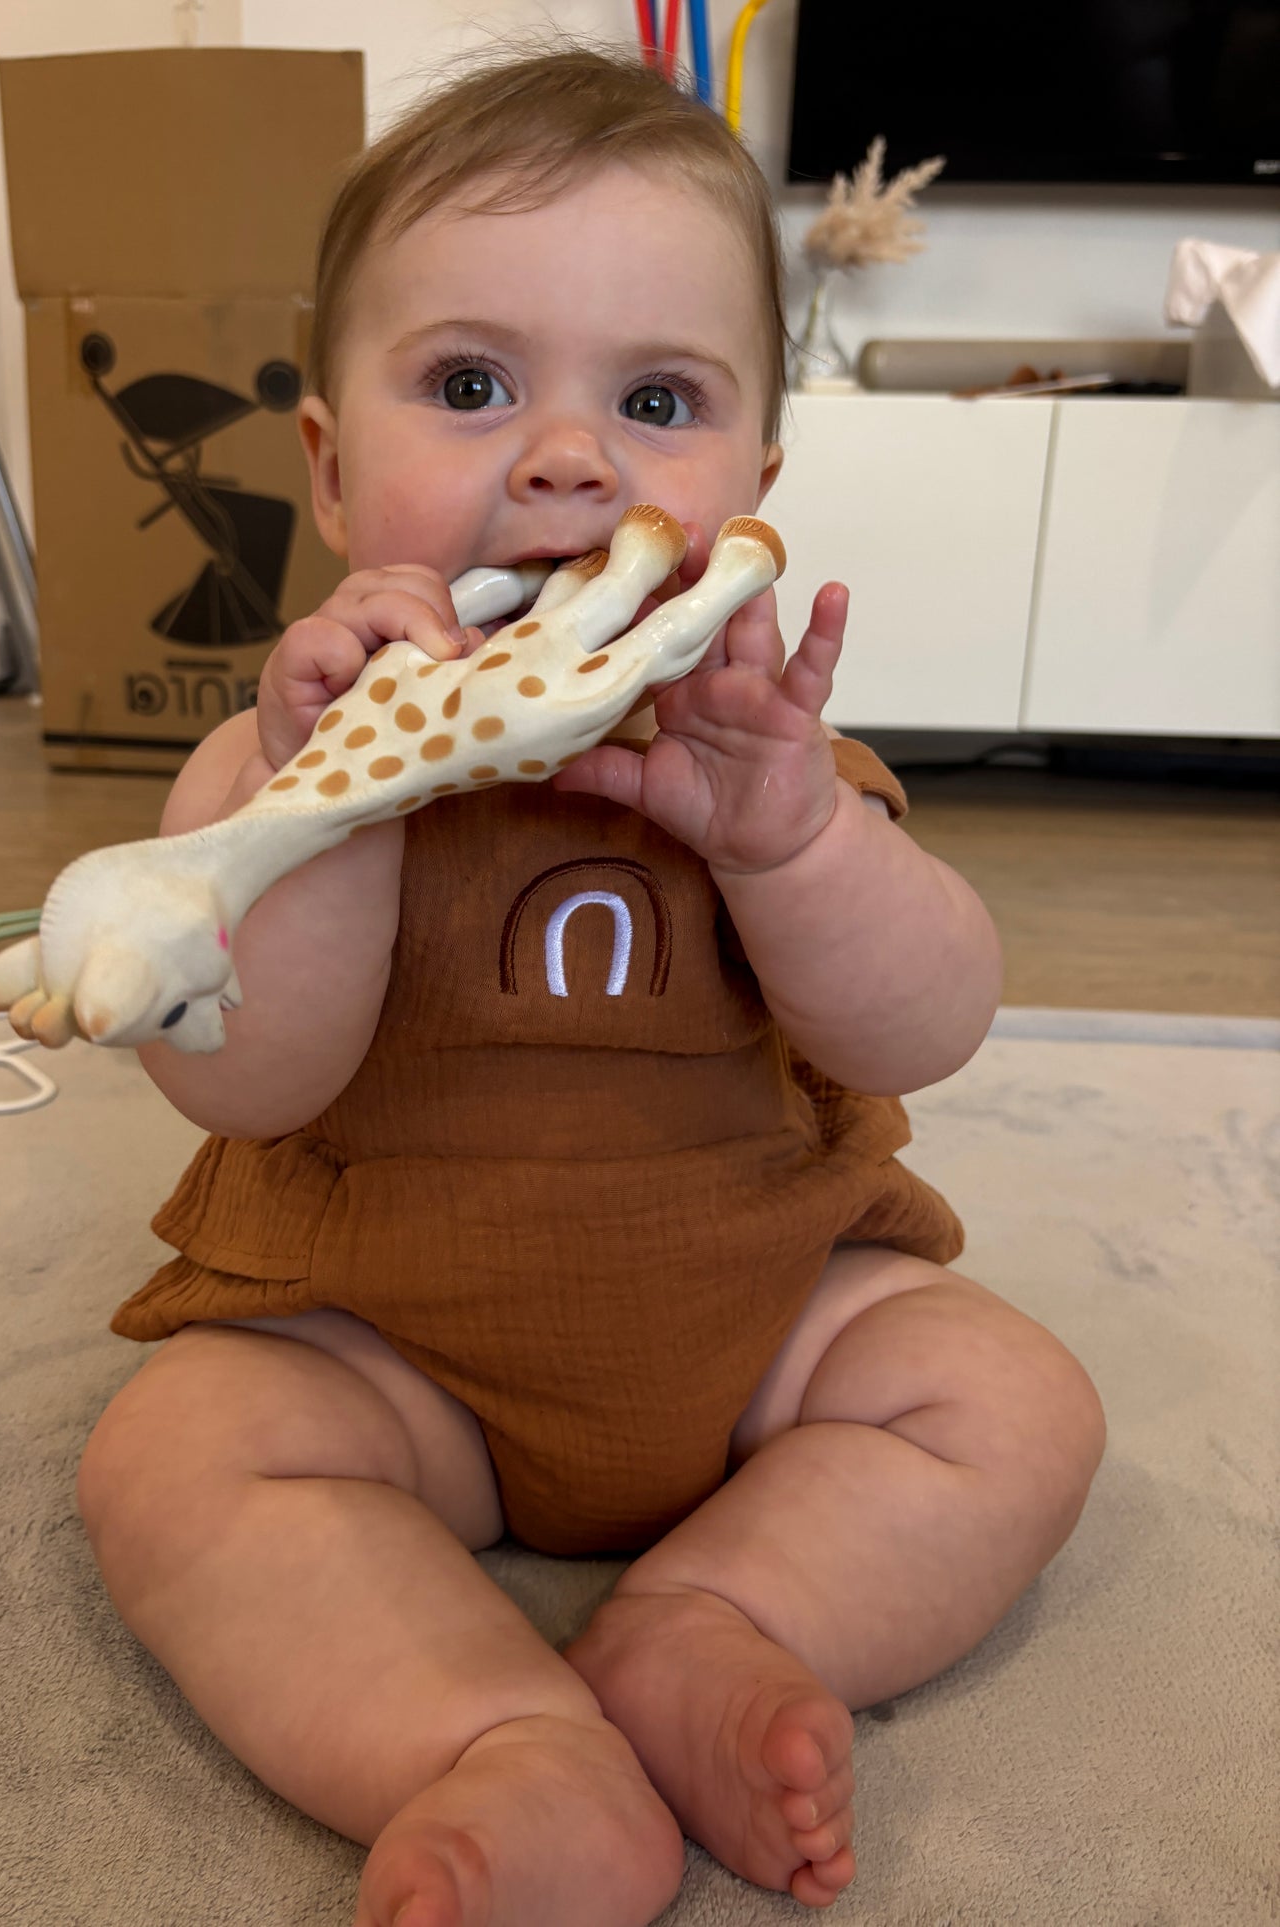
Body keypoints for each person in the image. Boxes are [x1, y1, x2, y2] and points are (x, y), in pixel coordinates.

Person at [75, 41, 1106, 1925]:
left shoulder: (768, 756)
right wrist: (338, 800)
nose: (566, 460)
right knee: (179, 1456)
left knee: (1009, 1401)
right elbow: (248, 1085)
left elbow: (925, 1028)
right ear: (326, 468)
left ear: (757, 487)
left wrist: (790, 844)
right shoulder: (274, 776)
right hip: (393, 1359)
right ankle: (489, 1741)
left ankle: (709, 1620)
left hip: (756, 1341)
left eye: (655, 399)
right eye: (470, 386)